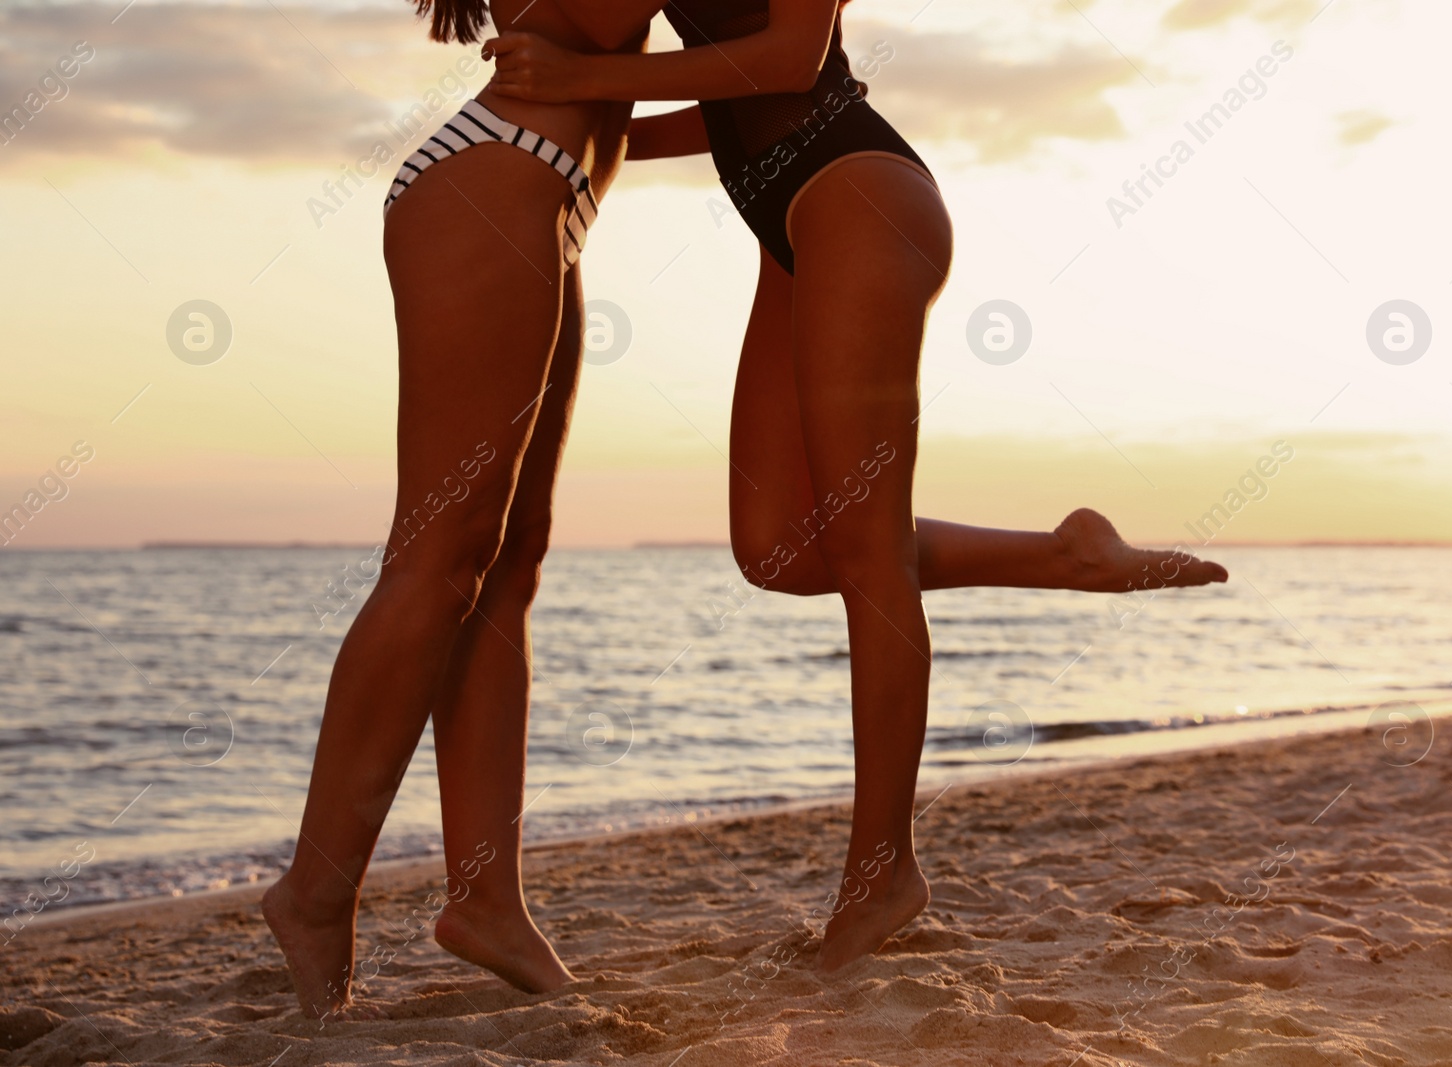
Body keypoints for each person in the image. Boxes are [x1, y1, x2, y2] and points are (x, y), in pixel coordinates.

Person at [482, 0, 1228, 973]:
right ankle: (1066, 552)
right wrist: (561, 128)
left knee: (869, 553)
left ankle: (884, 873)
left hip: (859, 194)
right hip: (784, 219)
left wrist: (582, 86)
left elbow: (788, 57)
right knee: (780, 549)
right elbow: (709, 89)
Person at [260, 0, 675, 1020]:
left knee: (506, 562)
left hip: (549, 187)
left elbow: (629, 81)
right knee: (440, 553)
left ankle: (486, 896)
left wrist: (791, 86)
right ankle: (313, 893)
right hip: (494, 175)